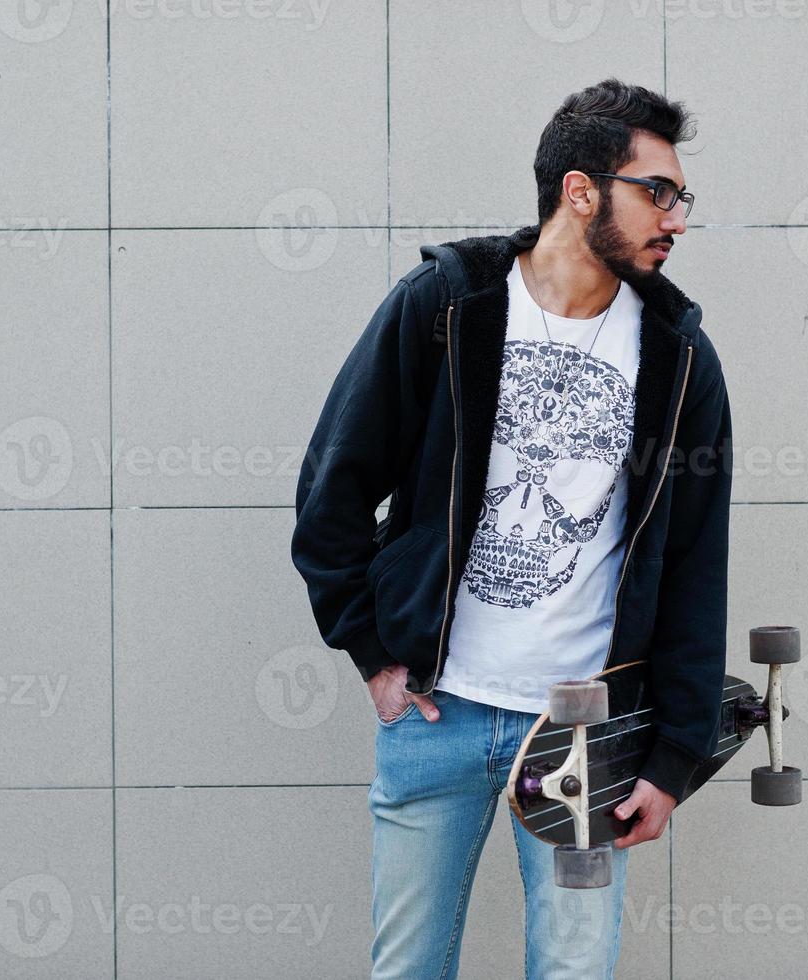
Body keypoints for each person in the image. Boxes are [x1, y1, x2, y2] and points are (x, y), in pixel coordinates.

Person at [291, 76, 733, 979]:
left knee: (573, 972)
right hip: (437, 714)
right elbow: (332, 491)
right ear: (580, 191)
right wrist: (372, 653)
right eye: (657, 191)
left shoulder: (679, 360)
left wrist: (676, 753)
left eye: (679, 197)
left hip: (586, 737)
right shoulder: (446, 308)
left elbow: (693, 563)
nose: (676, 218)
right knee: (408, 969)